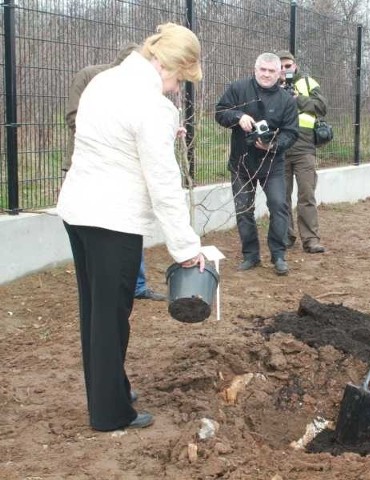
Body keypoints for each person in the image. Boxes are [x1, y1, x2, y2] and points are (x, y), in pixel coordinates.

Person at [57, 23, 206, 431]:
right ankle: (110, 413)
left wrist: (158, 136)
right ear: (168, 65)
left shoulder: (105, 81)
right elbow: (163, 184)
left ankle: (110, 389)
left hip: (78, 210)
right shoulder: (154, 106)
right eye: (179, 79)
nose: (177, 89)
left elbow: (108, 138)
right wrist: (186, 247)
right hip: (113, 220)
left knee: (94, 309)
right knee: (112, 317)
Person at [65, 43, 165, 302]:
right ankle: (111, 288)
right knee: (100, 266)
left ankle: (137, 284)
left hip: (123, 181)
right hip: (88, 170)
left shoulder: (142, 93)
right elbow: (75, 116)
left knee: (126, 233)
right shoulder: (94, 78)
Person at [215, 53, 299, 275]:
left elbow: (291, 133)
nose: (266, 74)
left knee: (279, 206)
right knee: (244, 210)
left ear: (279, 73)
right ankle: (250, 255)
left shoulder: (286, 101)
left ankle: (278, 255)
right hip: (242, 162)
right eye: (263, 69)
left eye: (272, 71)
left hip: (273, 164)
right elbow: (220, 112)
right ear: (255, 69)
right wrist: (237, 116)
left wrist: (273, 145)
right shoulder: (238, 88)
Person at [276, 50, 328, 254]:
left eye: (287, 66)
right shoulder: (271, 86)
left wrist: (299, 99)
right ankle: (285, 236)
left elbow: (322, 106)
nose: (284, 70)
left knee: (307, 195)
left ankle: (311, 239)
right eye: (280, 66)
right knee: (282, 196)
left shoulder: (308, 83)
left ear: (295, 66)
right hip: (280, 148)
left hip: (304, 148)